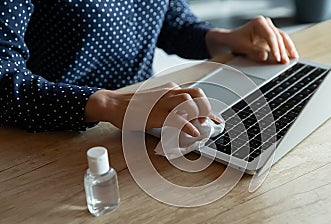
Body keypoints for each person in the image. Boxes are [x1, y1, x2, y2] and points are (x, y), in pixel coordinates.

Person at [0, 0, 299, 137]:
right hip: (59, 133)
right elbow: (4, 81)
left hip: (149, 120)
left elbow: (172, 23)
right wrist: (110, 104)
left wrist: (226, 39)